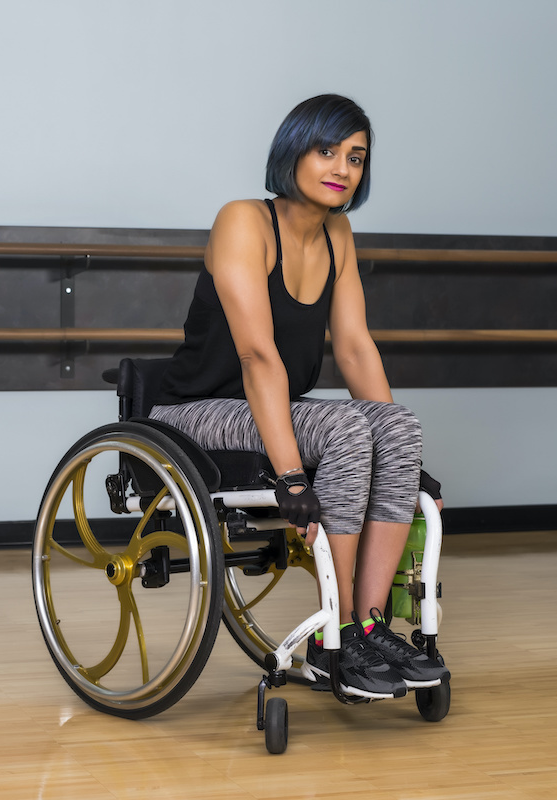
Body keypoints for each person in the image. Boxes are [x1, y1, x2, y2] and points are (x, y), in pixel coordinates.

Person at [148, 94, 448, 699]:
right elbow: (258, 355)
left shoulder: (339, 234)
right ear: (294, 152)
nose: (342, 167)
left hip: (272, 410)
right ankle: (335, 631)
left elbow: (357, 348)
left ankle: (363, 626)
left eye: (356, 157)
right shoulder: (243, 221)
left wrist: (401, 454)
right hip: (196, 411)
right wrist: (289, 476)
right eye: (327, 150)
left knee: (397, 425)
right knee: (343, 428)